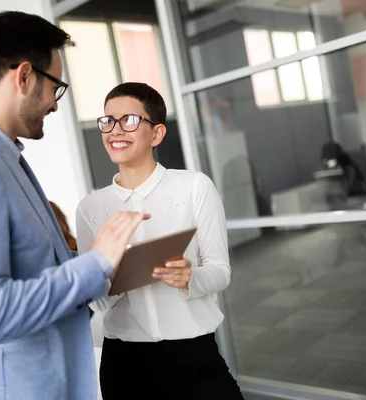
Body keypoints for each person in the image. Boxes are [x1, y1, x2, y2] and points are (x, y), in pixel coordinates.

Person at [0, 11, 147, 400]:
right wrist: (95, 264)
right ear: (23, 76)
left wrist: (102, 259)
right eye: (55, 87)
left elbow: (24, 266)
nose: (56, 105)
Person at [76, 82, 244, 399]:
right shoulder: (90, 208)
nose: (114, 130)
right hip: (126, 364)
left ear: (156, 134)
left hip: (195, 356)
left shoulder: (194, 187)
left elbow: (220, 271)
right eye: (107, 121)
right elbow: (97, 302)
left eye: (129, 120)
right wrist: (111, 272)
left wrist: (189, 277)